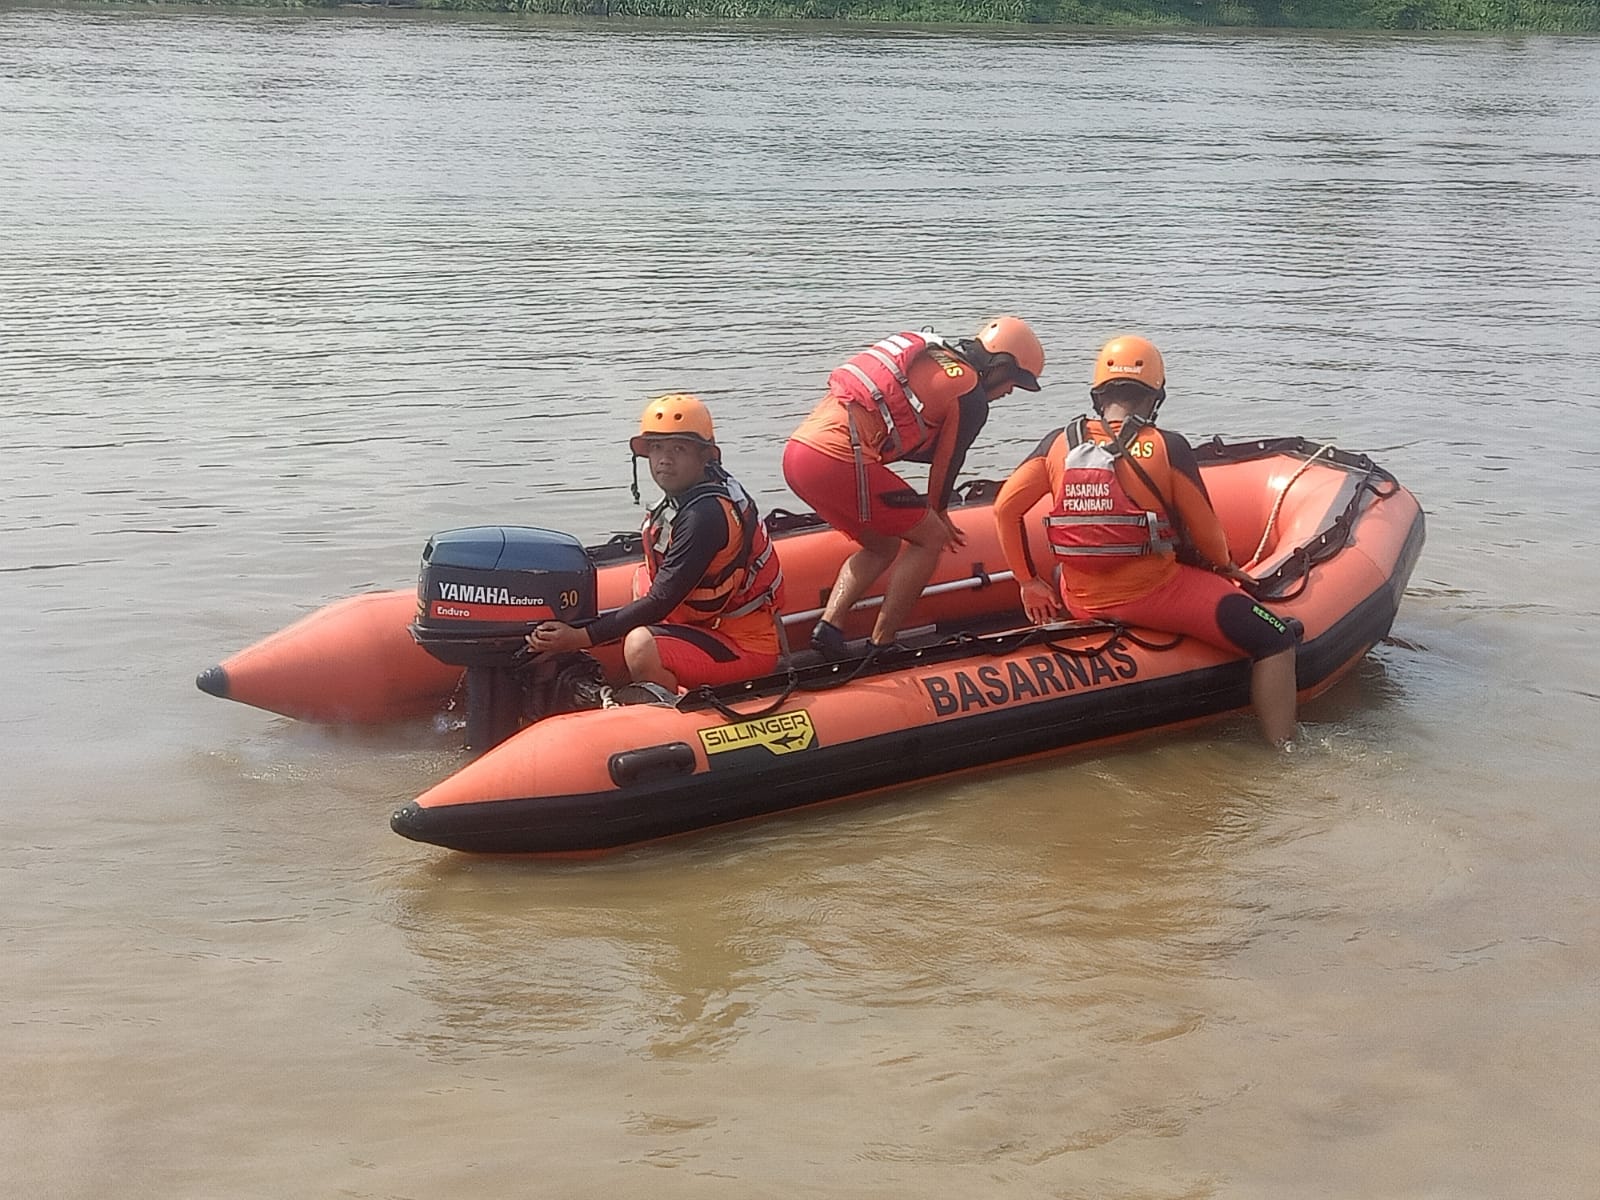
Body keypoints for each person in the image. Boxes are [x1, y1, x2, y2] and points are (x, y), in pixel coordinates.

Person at [992, 334, 1299, 747]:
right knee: (1275, 637)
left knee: (1064, 567)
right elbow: (1211, 541)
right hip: (1154, 594)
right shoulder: (1167, 447)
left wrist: (1027, 581)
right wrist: (1223, 568)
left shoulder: (1058, 442)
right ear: (1156, 395)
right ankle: (1285, 749)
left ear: (1097, 394)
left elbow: (1004, 510)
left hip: (1078, 595)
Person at [782, 316, 1046, 658]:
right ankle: (883, 642)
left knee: (884, 545)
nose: (1009, 391)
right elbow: (947, 464)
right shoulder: (970, 395)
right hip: (839, 459)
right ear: (1000, 366)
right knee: (931, 537)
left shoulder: (933, 356)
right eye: (1013, 382)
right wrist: (938, 515)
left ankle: (829, 627)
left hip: (798, 454)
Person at [525, 394, 783, 692]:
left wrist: (579, 638)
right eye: (657, 447)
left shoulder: (705, 516)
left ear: (705, 456)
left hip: (742, 646)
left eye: (678, 448)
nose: (664, 459)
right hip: (703, 625)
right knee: (640, 579)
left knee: (641, 645)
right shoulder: (690, 495)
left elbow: (661, 601)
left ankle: (672, 713)